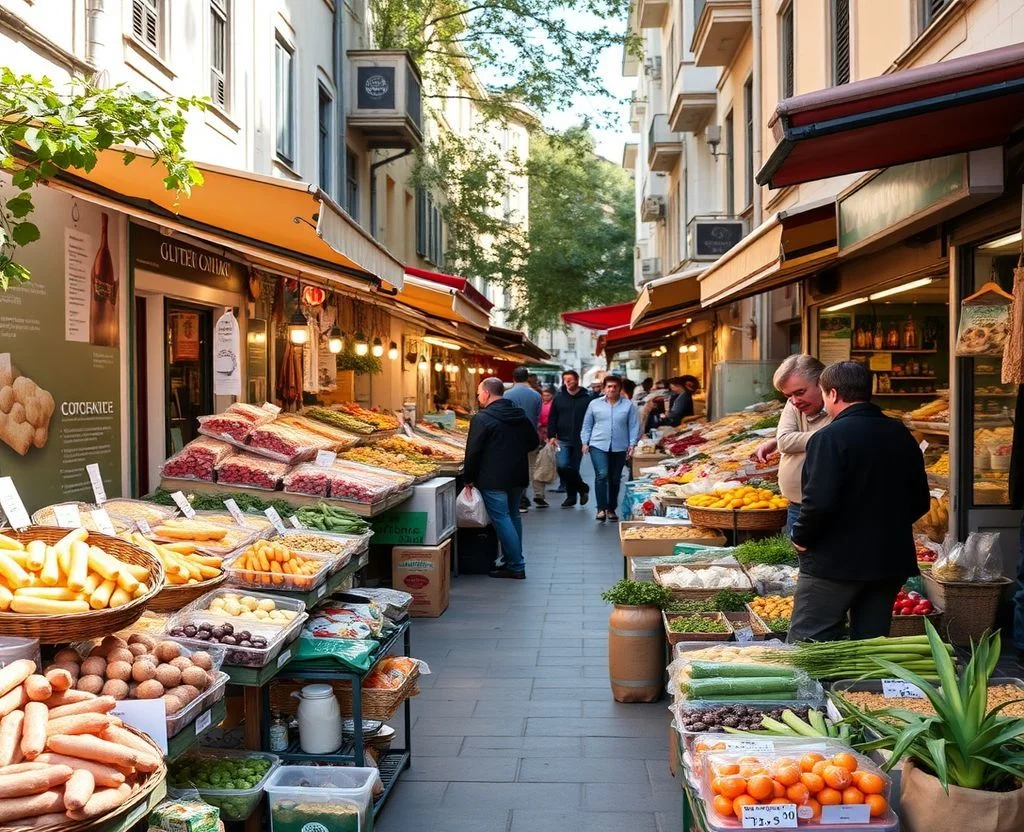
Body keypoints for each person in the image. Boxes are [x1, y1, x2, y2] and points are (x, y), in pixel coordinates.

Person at [788, 361, 930, 642]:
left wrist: (801, 536)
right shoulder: (901, 434)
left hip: (835, 563)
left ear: (833, 394)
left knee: (810, 643)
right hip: (889, 561)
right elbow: (920, 501)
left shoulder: (828, 438)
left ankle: (817, 689)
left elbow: (819, 504)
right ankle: (860, 688)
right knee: (870, 647)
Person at [463, 377, 540, 580]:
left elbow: (473, 451)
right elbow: (533, 442)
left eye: (479, 393)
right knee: (513, 515)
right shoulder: (519, 415)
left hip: (493, 476)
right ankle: (511, 560)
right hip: (517, 473)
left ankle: (516, 565)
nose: (478, 397)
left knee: (501, 518)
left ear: (487, 393)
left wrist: (468, 477)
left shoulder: (482, 418)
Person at [754, 355, 832, 534]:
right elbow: (784, 442)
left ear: (822, 383)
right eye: (789, 396)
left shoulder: (839, 406)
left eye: (800, 392)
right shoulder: (794, 404)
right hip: (795, 505)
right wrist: (778, 440)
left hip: (827, 508)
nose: (795, 401)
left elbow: (843, 442)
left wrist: (831, 437)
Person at [581, 375, 639, 523]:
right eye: (609, 386)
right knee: (602, 474)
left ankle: (611, 508)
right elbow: (587, 424)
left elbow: (633, 426)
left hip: (620, 446)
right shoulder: (594, 404)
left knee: (614, 479)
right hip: (598, 444)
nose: (612, 389)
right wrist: (585, 442)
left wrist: (632, 444)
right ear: (604, 388)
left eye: (615, 386)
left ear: (619, 388)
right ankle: (601, 509)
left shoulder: (628, 405)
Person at [547, 369, 592, 508]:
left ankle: (571, 497)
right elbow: (552, 417)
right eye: (565, 379)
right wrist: (551, 435)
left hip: (579, 439)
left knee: (573, 468)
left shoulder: (587, 398)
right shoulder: (559, 398)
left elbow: (592, 419)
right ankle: (582, 487)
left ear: (577, 380)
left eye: (570, 379)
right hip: (562, 439)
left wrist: (589, 439)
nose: (567, 382)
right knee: (562, 466)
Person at [504, 366, 543, 512]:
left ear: (513, 378)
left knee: (515, 467)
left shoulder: (507, 395)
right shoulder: (536, 395)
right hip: (531, 435)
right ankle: (530, 495)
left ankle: (519, 498)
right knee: (531, 467)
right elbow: (537, 415)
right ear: (527, 378)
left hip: (511, 437)